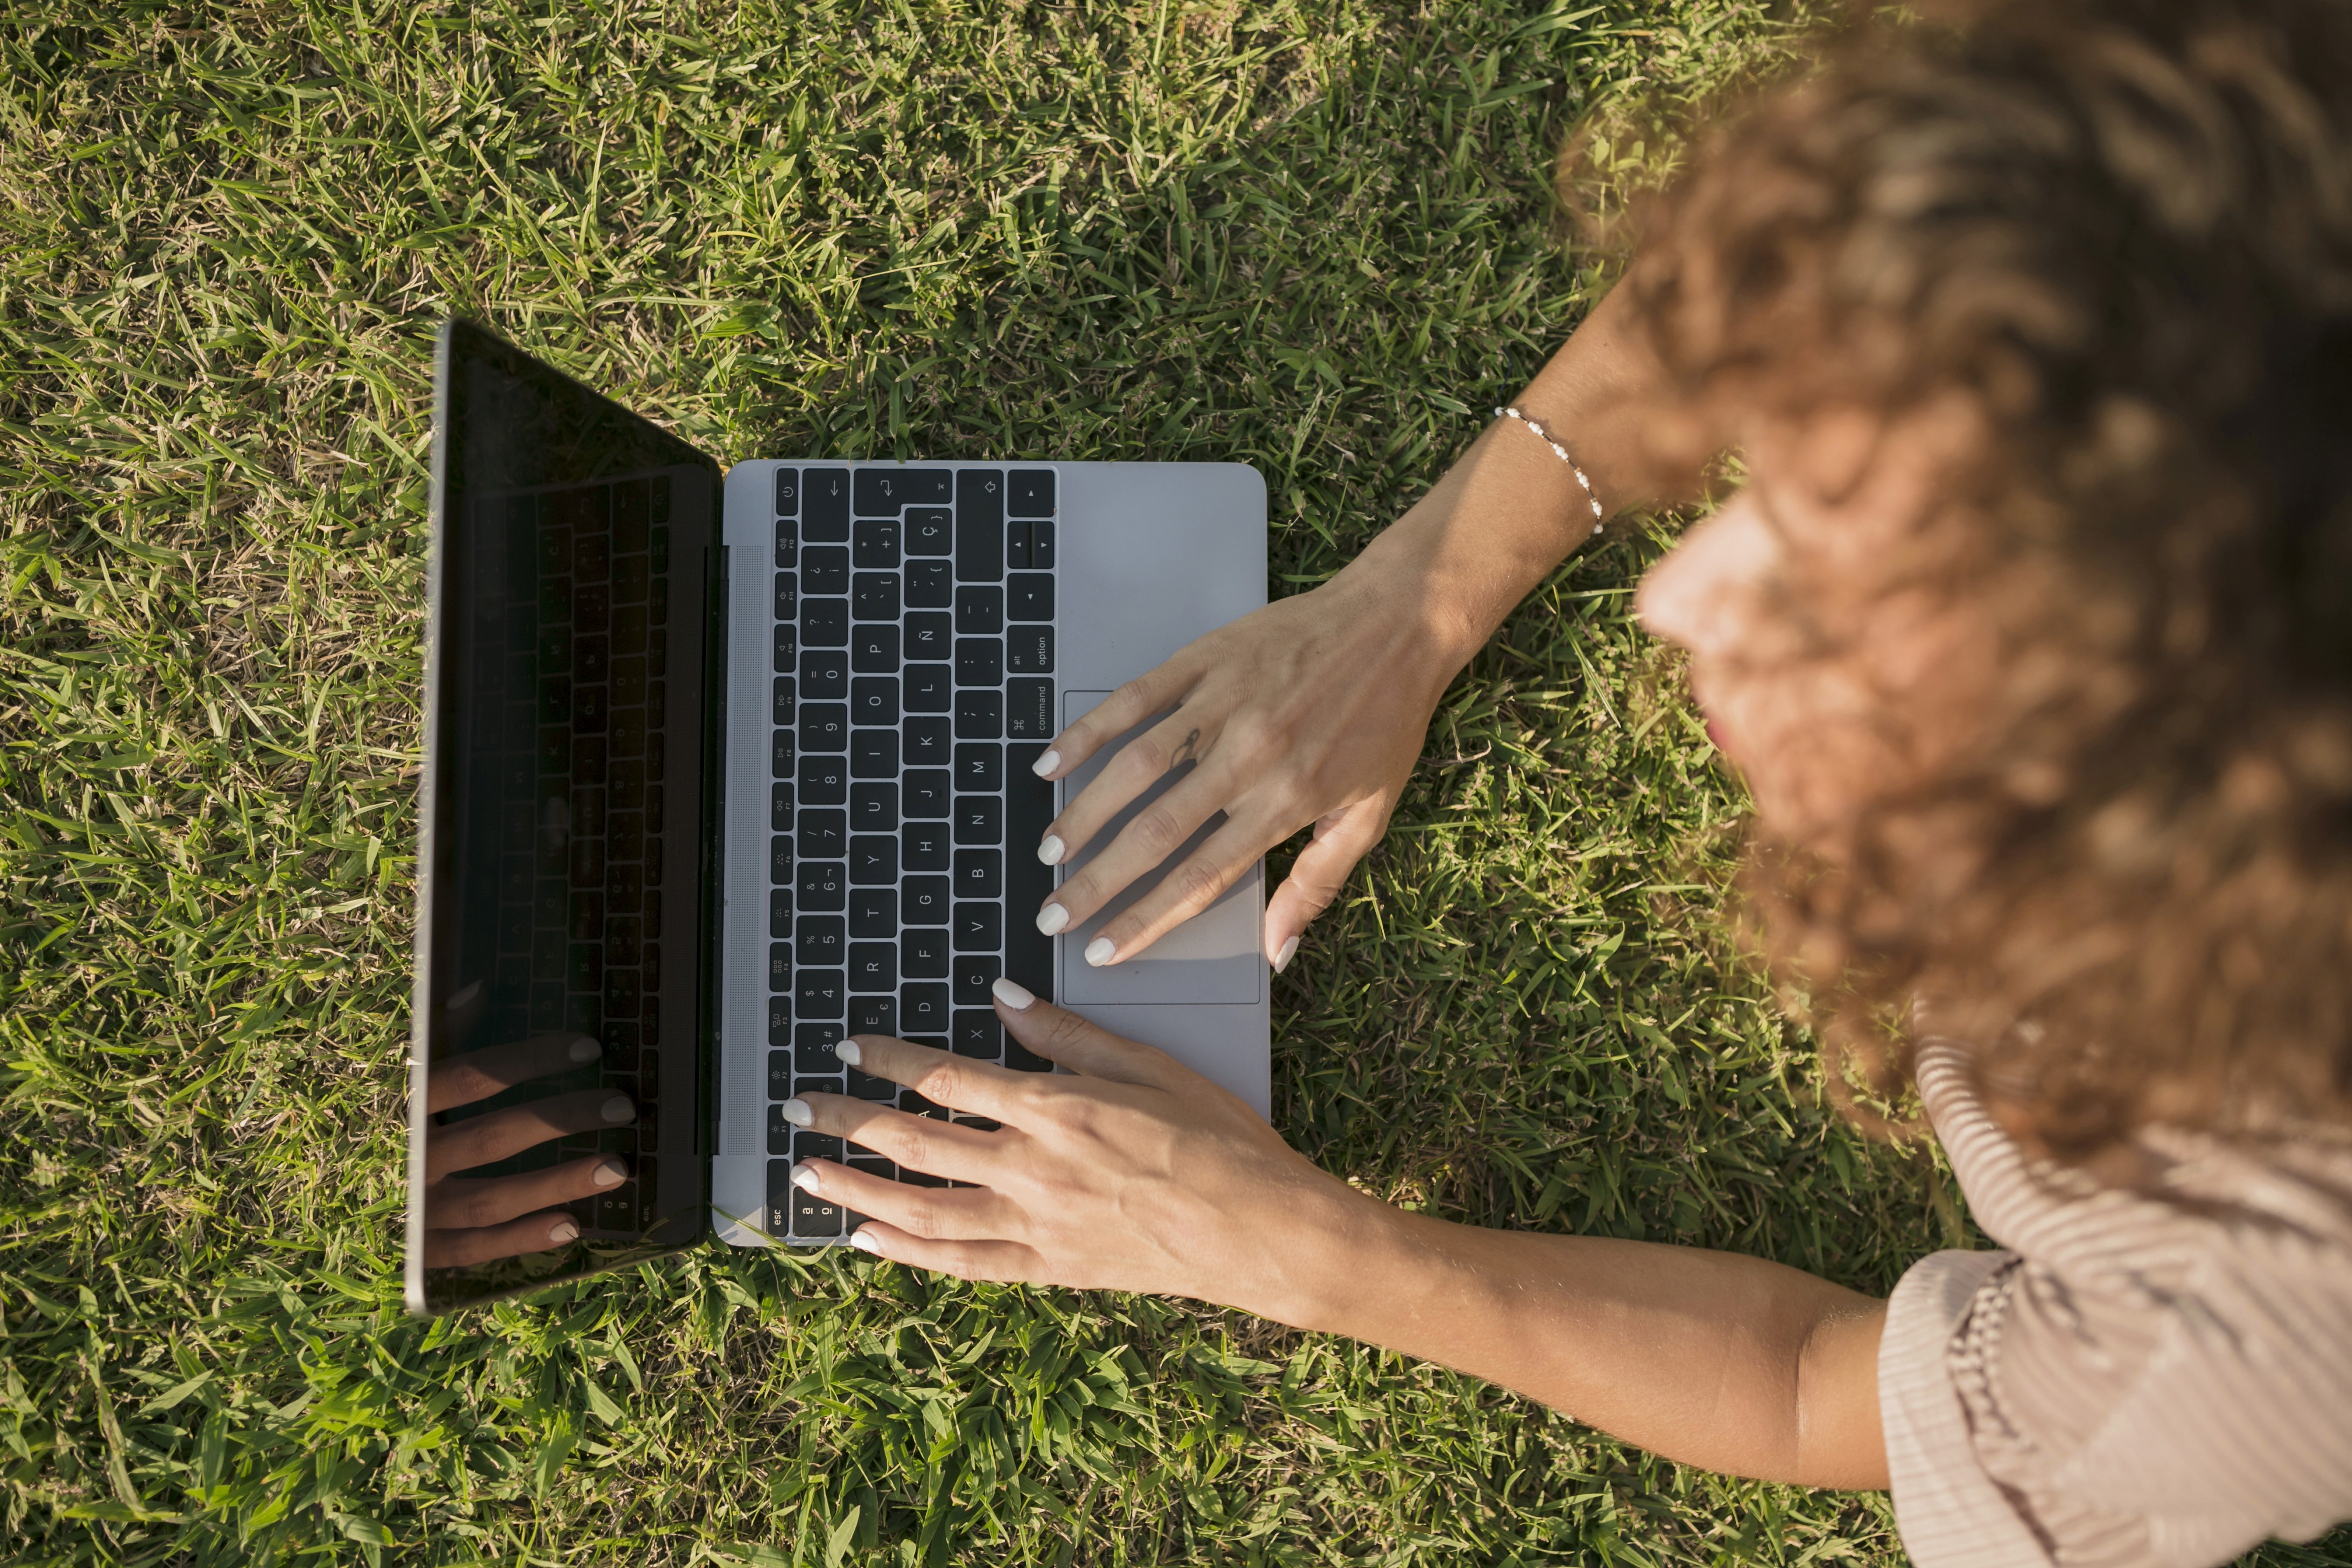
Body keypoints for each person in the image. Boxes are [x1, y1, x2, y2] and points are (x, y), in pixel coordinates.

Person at [435, 0, 2352, 1559]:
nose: (1688, 598)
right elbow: (1850, 279)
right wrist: (1420, 596)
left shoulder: (2263, 1325)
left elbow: (1813, 1388)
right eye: (1802, 472)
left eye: (1849, 599)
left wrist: (1312, 1254)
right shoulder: (2250, 147)